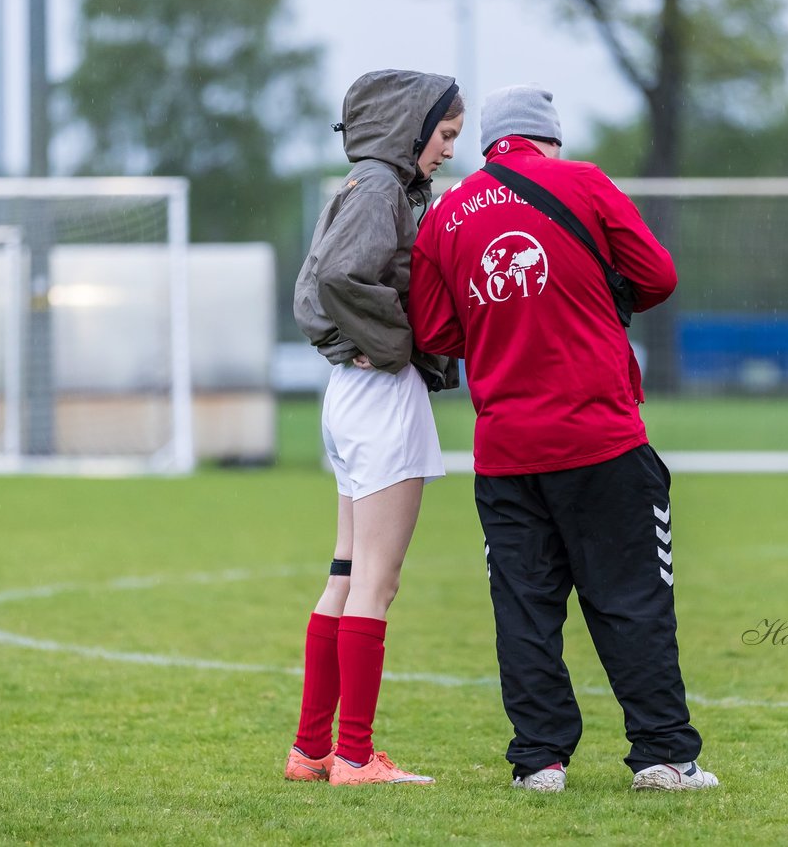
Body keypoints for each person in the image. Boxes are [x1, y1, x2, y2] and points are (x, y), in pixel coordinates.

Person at [408, 84, 718, 793]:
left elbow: (433, 331)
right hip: (601, 439)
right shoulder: (581, 182)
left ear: (490, 142)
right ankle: (663, 756)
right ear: (548, 138)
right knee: (633, 599)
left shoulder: (446, 214)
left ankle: (539, 761)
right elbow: (659, 278)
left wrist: (500, 332)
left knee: (525, 609)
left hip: (507, 452)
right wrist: (594, 300)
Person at [284, 69, 464, 786]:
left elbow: (316, 284)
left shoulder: (366, 184)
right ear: (411, 129)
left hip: (352, 395)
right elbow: (336, 280)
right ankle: (355, 758)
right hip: (381, 396)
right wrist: (395, 345)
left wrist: (347, 343)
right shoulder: (383, 187)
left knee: (345, 572)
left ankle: (312, 750)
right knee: (376, 584)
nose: (449, 150)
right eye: (445, 136)